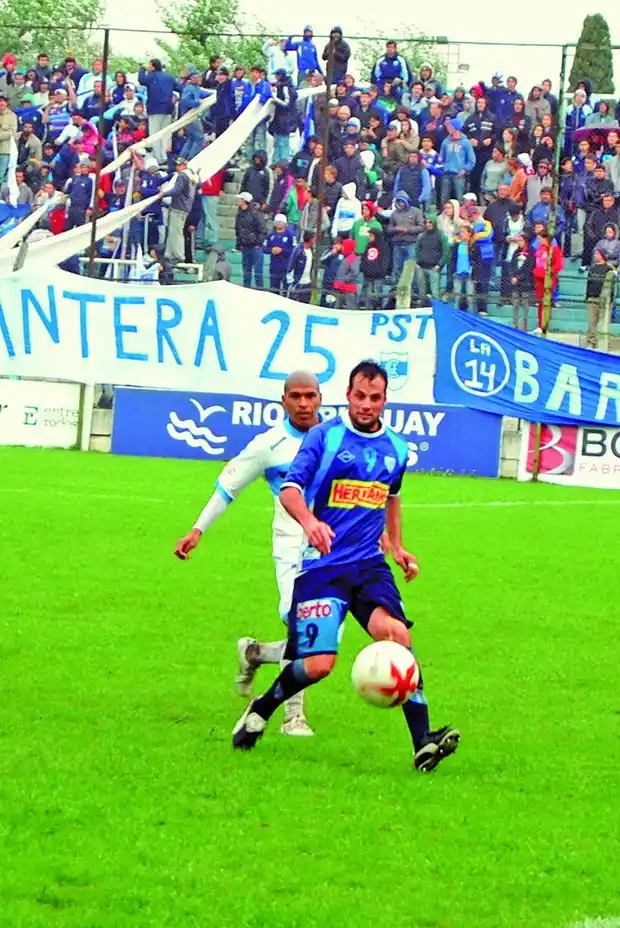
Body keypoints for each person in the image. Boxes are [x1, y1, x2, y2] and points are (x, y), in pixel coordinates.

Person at [232, 360, 460, 773]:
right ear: (348, 395)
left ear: (385, 399)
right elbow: (290, 489)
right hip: (322, 567)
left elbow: (390, 496)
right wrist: (311, 522)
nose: (366, 405)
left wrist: (397, 545)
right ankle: (262, 708)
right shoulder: (325, 436)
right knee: (319, 665)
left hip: (369, 567)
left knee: (396, 636)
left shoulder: (398, 448)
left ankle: (422, 741)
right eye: (360, 396)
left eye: (375, 398)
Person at [175, 371, 322, 737]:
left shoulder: (336, 439)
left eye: (310, 396)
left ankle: (256, 653)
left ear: (321, 398)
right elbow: (228, 486)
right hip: (291, 546)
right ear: (283, 400)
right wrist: (197, 529)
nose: (304, 403)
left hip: (332, 547)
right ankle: (294, 716)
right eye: (296, 396)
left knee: (318, 633)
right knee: (301, 625)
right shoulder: (268, 445)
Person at [138, 59, 178, 163]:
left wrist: (142, 69)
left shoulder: (151, 76)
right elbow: (179, 88)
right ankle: (165, 156)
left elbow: (141, 80)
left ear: (153, 66)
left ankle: (158, 157)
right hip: (168, 108)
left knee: (155, 134)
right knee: (165, 134)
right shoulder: (169, 77)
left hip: (155, 109)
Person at [532, 225, 564, 334]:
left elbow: (558, 265)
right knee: (540, 302)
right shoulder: (540, 249)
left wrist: (548, 273)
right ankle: (539, 325)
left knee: (546, 302)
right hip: (538, 279)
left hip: (548, 280)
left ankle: (544, 325)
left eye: (541, 239)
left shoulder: (554, 250)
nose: (539, 241)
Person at [387, 190, 425, 280]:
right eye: (399, 201)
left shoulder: (416, 212)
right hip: (397, 244)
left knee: (412, 267)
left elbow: (421, 227)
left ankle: (414, 289)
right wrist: (396, 229)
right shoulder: (394, 214)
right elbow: (389, 229)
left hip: (411, 243)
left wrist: (409, 230)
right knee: (397, 268)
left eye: (402, 201)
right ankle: (396, 288)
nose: (401, 204)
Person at [415, 213, 450, 303]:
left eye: (430, 222)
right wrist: (417, 262)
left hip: (434, 267)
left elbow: (446, 252)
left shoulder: (441, 236)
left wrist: (439, 264)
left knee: (435, 292)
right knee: (422, 292)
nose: (428, 224)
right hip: (421, 266)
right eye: (426, 222)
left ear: (434, 223)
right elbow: (417, 250)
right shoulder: (421, 236)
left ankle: (437, 309)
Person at [585, 249, 616, 348]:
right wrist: (587, 296)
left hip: (603, 299)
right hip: (592, 298)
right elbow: (588, 283)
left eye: (597, 253)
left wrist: (610, 299)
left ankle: (604, 342)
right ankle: (591, 342)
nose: (595, 255)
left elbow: (613, 285)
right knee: (592, 321)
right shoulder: (592, 268)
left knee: (603, 322)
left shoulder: (609, 268)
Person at [439, 121, 475, 203]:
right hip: (446, 173)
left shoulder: (465, 142)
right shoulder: (445, 141)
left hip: (459, 174)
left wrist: (465, 170)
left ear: (455, 128)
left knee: (460, 198)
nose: (448, 128)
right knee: (444, 198)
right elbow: (441, 157)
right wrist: (442, 165)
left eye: (449, 126)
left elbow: (471, 160)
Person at [235, 191, 265, 288]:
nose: (237, 200)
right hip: (245, 246)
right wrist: (239, 243)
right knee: (246, 272)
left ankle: (260, 291)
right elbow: (238, 229)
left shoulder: (255, 214)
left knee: (258, 272)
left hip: (255, 247)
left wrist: (258, 242)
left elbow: (262, 229)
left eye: (240, 199)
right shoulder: (239, 214)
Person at [270, 69, 298, 163]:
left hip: (285, 121)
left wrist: (275, 99)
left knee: (282, 144)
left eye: (277, 75)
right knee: (277, 143)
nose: (276, 77)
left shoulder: (286, 87)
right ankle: (276, 164)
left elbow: (287, 104)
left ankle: (283, 164)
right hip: (280, 120)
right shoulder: (281, 86)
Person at [509, 233, 535, 330]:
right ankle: (515, 324)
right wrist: (512, 276)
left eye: (520, 241)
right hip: (515, 284)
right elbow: (511, 265)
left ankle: (525, 326)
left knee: (525, 305)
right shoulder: (516, 252)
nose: (519, 243)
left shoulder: (532, 252)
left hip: (526, 283)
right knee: (515, 304)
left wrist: (519, 278)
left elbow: (530, 268)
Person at [264, 213, 296, 293]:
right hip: (274, 267)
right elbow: (264, 248)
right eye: (277, 222)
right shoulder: (270, 235)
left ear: (285, 223)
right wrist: (271, 250)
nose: (278, 223)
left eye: (280, 222)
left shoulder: (290, 235)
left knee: (286, 291)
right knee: (274, 291)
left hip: (286, 267)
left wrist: (282, 251)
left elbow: (294, 250)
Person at [360, 227, 389, 308]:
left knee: (377, 294)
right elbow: (364, 258)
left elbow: (384, 261)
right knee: (367, 295)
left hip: (378, 276)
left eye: (372, 235)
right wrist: (364, 268)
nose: (370, 237)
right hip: (367, 275)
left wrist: (381, 272)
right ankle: (367, 307)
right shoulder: (368, 245)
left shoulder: (383, 246)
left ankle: (377, 307)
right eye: (370, 235)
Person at [332, 237, 360, 308]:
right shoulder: (345, 257)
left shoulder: (353, 258)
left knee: (350, 307)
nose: (342, 248)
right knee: (337, 306)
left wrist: (344, 279)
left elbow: (355, 272)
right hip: (341, 286)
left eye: (344, 246)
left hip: (348, 288)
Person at [288, 231, 315, 302]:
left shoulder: (312, 250)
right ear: (311, 239)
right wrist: (291, 283)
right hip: (298, 284)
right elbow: (291, 264)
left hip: (308, 283)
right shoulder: (298, 250)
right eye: (314, 238)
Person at [0, 94, 18, 184]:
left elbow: (12, 132)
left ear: (6, 103)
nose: (1, 103)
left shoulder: (12, 116)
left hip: (5, 150)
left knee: (1, 174)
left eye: (3, 101)